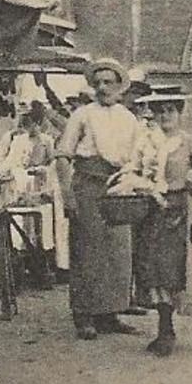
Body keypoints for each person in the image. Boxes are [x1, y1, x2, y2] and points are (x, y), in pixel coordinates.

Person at [56, 57, 145, 340]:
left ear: (120, 87)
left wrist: (133, 184)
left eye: (109, 82)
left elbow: (136, 157)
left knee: (118, 251)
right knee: (88, 251)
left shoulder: (128, 117)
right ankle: (84, 315)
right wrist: (68, 195)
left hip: (116, 187)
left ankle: (110, 313)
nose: (103, 87)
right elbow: (62, 156)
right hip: (87, 186)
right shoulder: (82, 114)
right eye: (99, 82)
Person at [123, 88, 192, 356]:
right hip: (148, 210)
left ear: (180, 112)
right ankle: (164, 326)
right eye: (161, 110)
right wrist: (143, 186)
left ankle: (166, 328)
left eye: (171, 110)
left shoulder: (189, 141)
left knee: (171, 269)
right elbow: (132, 170)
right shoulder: (146, 140)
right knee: (149, 267)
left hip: (176, 212)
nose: (165, 115)